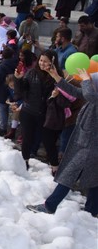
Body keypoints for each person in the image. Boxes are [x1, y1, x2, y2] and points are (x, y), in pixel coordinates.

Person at [27, 68, 97, 216]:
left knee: (69, 173)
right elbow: (77, 92)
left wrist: (85, 79)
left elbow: (90, 95)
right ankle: (92, 210)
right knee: (94, 175)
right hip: (89, 143)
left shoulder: (94, 97)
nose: (89, 83)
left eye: (93, 82)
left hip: (91, 146)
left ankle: (50, 206)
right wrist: (57, 77)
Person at [14, 50, 58, 170]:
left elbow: (62, 96)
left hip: (46, 114)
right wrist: (18, 79)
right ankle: (25, 162)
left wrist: (55, 95)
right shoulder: (32, 72)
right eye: (41, 60)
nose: (42, 63)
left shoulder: (56, 76)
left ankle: (55, 166)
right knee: (27, 138)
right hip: (29, 111)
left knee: (48, 141)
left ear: (53, 62)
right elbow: (21, 91)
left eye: (45, 61)